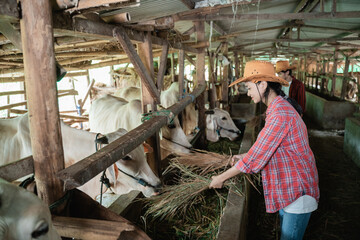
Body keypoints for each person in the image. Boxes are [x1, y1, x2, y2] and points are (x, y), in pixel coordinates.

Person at [209, 60, 319, 240]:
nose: (248, 93)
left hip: (298, 191)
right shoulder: (277, 109)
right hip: (289, 188)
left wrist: (220, 178)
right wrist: (242, 156)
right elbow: (267, 149)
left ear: (263, 84)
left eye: (249, 87)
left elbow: (256, 159)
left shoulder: (280, 114)